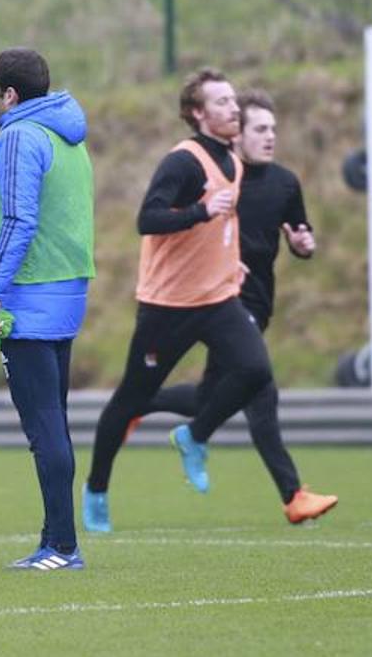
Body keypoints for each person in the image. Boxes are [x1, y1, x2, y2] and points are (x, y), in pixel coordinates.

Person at [114, 90, 336, 527]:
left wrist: (303, 244)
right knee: (261, 387)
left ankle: (138, 404)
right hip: (221, 303)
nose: (269, 137)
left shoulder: (286, 183)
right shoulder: (217, 179)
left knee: (207, 399)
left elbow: (300, 231)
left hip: (258, 304)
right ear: (236, 134)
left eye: (273, 129)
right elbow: (162, 222)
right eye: (259, 129)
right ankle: (292, 495)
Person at [83, 68, 277, 529]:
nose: (234, 108)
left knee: (255, 371)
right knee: (132, 398)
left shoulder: (234, 160)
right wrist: (199, 211)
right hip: (168, 306)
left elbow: (222, 227)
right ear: (197, 113)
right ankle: (96, 490)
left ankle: (194, 435)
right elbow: (147, 219)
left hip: (218, 299)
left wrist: (232, 262)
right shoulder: (184, 162)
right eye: (223, 102)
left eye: (235, 100)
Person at [0, 48, 95, 571]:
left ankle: (63, 546)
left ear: (11, 95)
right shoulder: (67, 135)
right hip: (68, 292)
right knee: (56, 421)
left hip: (29, 296)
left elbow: (19, 220)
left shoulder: (19, 137)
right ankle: (55, 537)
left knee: (44, 426)